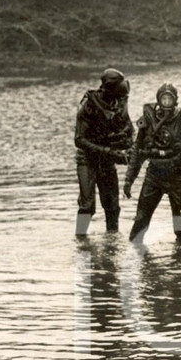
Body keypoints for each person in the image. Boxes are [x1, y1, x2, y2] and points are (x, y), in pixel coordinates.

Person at [124, 83, 181, 244]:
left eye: (170, 99)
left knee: (180, 226)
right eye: (164, 98)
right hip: (154, 175)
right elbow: (138, 151)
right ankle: (132, 257)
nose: (166, 102)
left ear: (176, 101)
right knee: (140, 220)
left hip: (179, 177)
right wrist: (129, 179)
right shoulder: (149, 118)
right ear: (158, 100)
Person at [74, 68, 134, 235]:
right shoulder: (89, 105)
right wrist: (110, 152)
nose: (120, 101)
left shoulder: (120, 101)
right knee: (87, 206)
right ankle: (80, 241)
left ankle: (112, 242)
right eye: (117, 97)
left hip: (108, 159)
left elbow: (129, 130)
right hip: (87, 159)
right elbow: (79, 140)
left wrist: (129, 147)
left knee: (112, 206)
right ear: (108, 91)